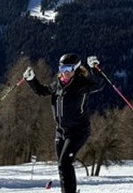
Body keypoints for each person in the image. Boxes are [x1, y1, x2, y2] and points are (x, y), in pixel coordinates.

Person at [24, 53, 105, 193]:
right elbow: (42, 91)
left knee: (65, 163)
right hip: (61, 132)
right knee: (62, 166)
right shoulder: (58, 84)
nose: (65, 72)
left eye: (68, 69)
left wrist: (94, 68)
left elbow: (99, 84)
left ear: (76, 68)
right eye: (62, 69)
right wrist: (31, 80)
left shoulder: (81, 84)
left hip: (78, 131)